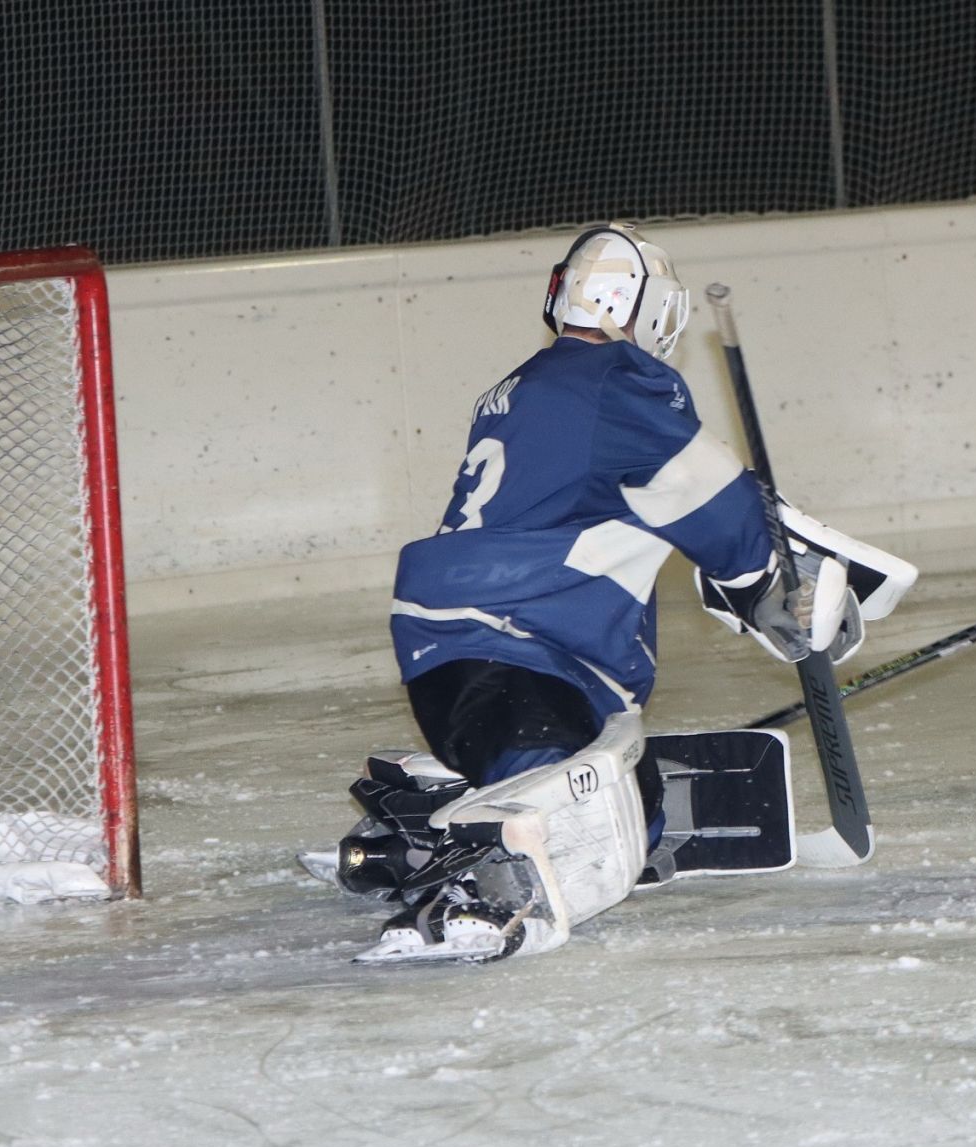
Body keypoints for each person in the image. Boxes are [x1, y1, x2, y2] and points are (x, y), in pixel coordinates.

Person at [330, 223, 912, 962]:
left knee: (639, 816)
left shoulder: (534, 385)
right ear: (651, 306)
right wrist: (765, 579)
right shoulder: (620, 381)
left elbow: (659, 502)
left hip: (485, 645)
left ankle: (423, 816)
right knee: (580, 821)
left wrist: (754, 582)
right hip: (508, 640)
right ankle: (479, 874)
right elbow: (711, 494)